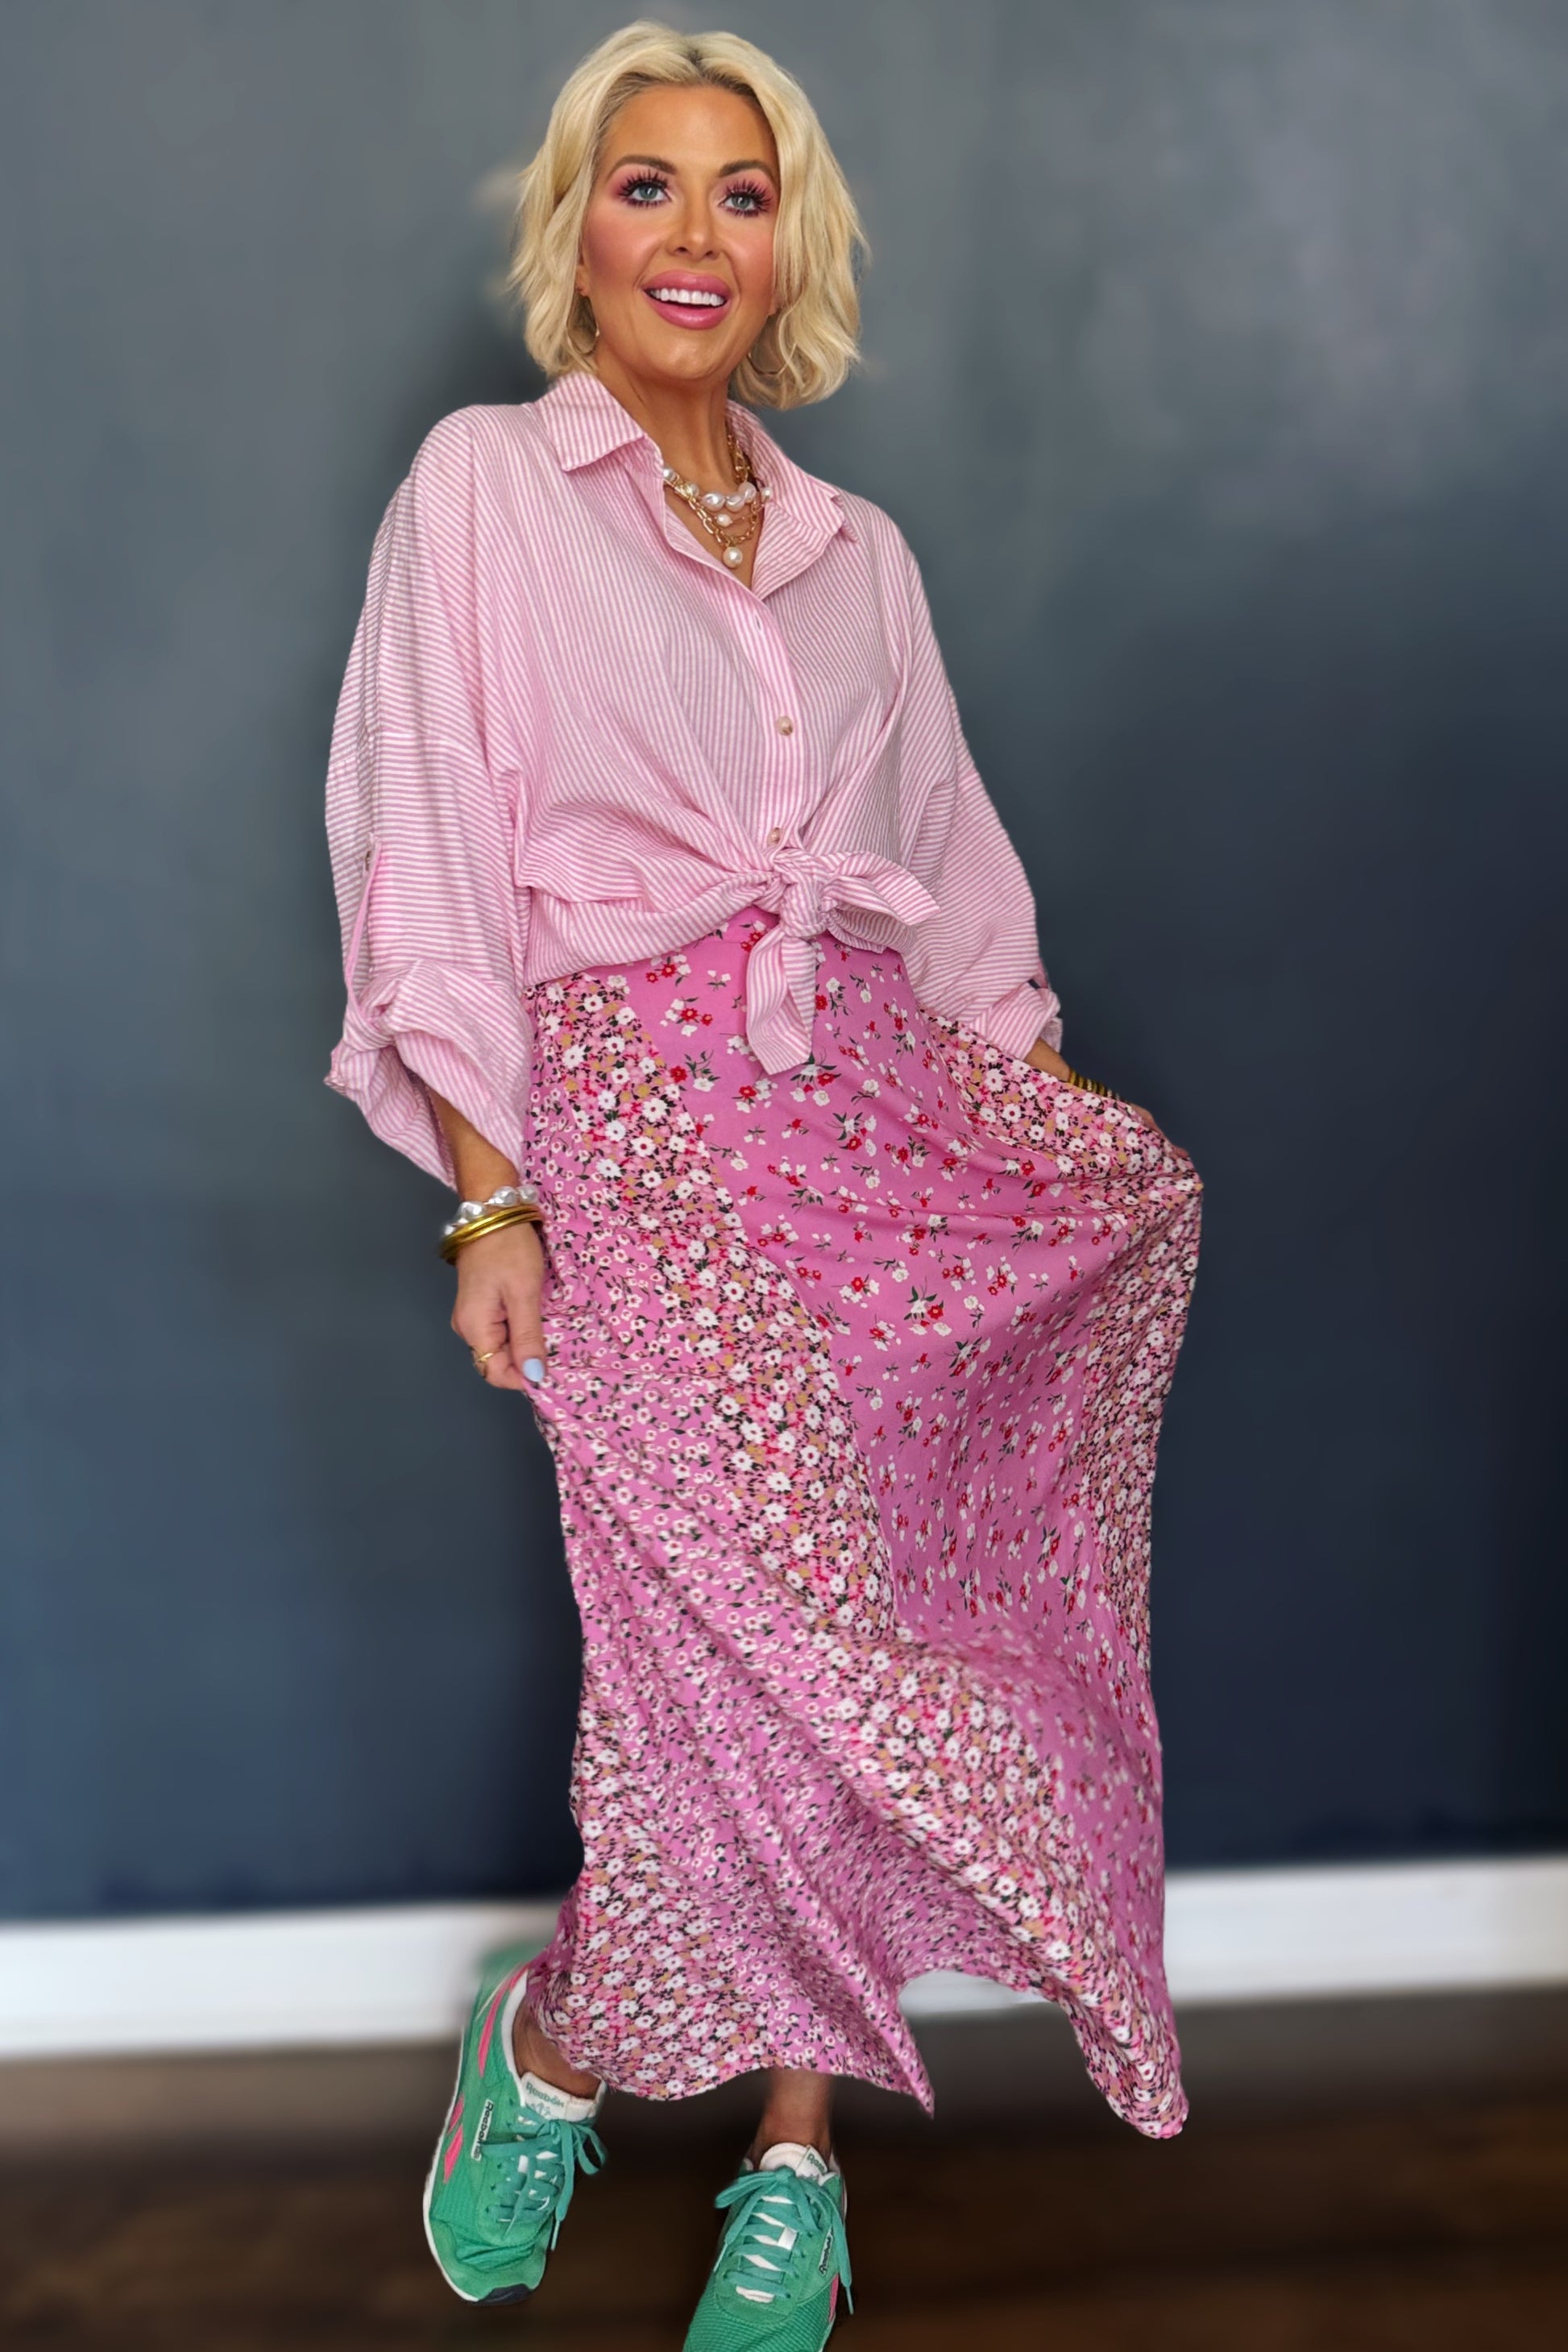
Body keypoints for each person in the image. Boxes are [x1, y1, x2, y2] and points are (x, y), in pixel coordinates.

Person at [324, 21, 1201, 2345]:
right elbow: (431, 850)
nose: (690, 234)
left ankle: (791, 2174)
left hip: (873, 1133)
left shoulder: (857, 554)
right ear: (576, 228)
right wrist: (483, 1197)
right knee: (743, 1660)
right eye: (644, 186)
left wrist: (1028, 1131)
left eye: (738, 189)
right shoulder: (488, 487)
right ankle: (561, 2044)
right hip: (629, 1138)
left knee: (880, 1637)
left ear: (786, 237)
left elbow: (950, 880)